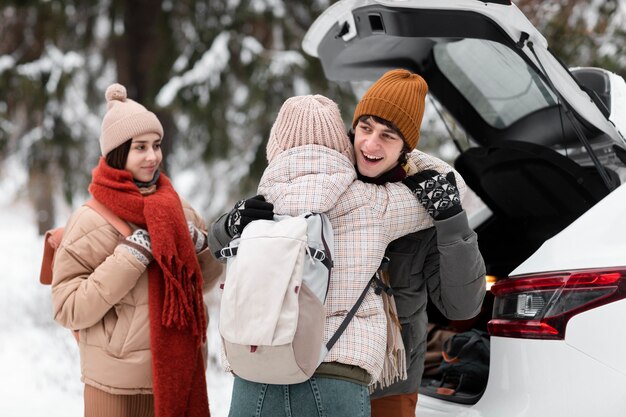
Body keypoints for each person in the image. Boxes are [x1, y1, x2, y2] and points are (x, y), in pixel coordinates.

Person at [210, 93, 461, 417]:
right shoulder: (374, 203)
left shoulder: (260, 207)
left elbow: (216, 250)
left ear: (275, 146)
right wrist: (398, 145)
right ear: (345, 141)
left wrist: (232, 221)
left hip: (256, 368)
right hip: (338, 372)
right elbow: (455, 185)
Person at [51, 83, 223, 417]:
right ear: (118, 154)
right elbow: (67, 308)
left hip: (178, 376)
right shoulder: (91, 219)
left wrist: (202, 248)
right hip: (115, 388)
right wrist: (131, 256)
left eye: (156, 146)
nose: (152, 156)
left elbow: (201, 283)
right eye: (140, 148)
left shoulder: (178, 209)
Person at [350, 70, 486, 416]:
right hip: (324, 371)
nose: (370, 145)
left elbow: (462, 307)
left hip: (392, 382)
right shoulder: (325, 187)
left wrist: (451, 220)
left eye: (387, 135)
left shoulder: (423, 214)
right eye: (365, 128)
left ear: (405, 148)